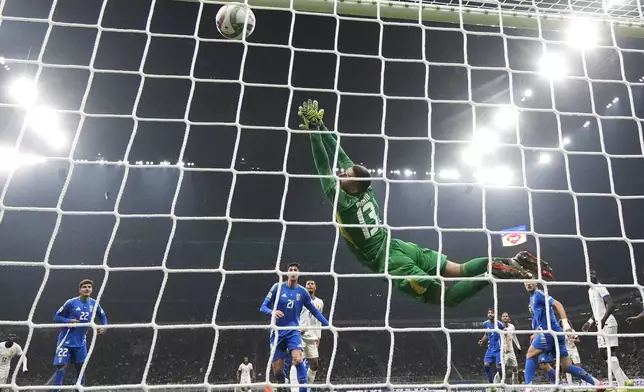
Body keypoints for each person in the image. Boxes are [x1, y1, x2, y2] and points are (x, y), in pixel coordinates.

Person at [298, 99, 554, 308]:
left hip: (387, 259)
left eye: (346, 175)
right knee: (457, 268)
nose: (341, 174)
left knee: (446, 297)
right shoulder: (365, 189)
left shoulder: (342, 201)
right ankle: (512, 259)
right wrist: (320, 124)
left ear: (353, 184)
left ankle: (492, 273)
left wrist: (313, 133)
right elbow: (341, 155)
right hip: (397, 245)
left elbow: (323, 164)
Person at [260, 262, 329, 392]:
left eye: (295, 269)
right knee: (278, 371)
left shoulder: (302, 292)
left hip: (294, 331)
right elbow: (263, 307)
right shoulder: (277, 288)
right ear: (287, 273)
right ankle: (283, 382)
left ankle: (304, 389)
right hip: (277, 332)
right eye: (290, 269)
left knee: (298, 359)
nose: (293, 271)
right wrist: (271, 312)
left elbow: (314, 311)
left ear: (298, 273)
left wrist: (328, 325)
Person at [524, 282, 601, 389]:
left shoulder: (538, 294)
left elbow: (558, 304)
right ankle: (597, 383)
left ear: (536, 282)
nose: (528, 284)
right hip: (558, 334)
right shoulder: (532, 299)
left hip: (549, 333)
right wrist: (536, 332)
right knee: (567, 366)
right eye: (526, 282)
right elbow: (540, 319)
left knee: (530, 355)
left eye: (531, 281)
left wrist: (565, 324)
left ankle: (528, 389)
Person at [52, 279, 107, 392]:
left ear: (91, 290)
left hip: (81, 342)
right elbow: (57, 317)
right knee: (61, 367)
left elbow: (103, 317)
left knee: (81, 368)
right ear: (80, 290)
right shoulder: (71, 302)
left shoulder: (94, 303)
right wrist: (68, 321)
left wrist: (104, 327)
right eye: (84, 287)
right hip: (65, 341)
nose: (87, 288)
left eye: (89, 287)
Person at [582, 270, 633, 388]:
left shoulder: (600, 287)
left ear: (596, 276)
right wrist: (589, 322)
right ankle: (625, 380)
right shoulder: (590, 291)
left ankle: (622, 386)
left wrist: (603, 320)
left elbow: (610, 304)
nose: (591, 276)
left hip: (608, 323)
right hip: (600, 325)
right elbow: (596, 310)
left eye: (593, 274)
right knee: (603, 353)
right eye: (589, 275)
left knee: (609, 352)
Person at [300, 280, 323, 385]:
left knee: (314, 365)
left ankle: (308, 386)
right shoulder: (299, 300)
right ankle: (295, 388)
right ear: (305, 287)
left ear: (315, 287)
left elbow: (318, 320)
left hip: (313, 337)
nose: (310, 285)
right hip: (300, 335)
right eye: (308, 284)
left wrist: (319, 336)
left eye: (312, 283)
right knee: (297, 361)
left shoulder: (319, 302)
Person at [479, 309, 504, 386]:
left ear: (495, 314)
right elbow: (486, 334)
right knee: (486, 365)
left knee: (499, 367)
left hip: (498, 349)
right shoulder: (485, 324)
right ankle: (491, 383)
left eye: (492, 313)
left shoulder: (500, 324)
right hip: (490, 349)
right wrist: (482, 340)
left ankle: (502, 381)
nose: (490, 314)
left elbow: (504, 334)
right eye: (489, 313)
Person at [501, 312, 521, 387]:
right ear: (501, 318)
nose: (505, 317)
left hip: (511, 351)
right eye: (503, 316)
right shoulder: (499, 327)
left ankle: (514, 385)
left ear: (508, 318)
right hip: (503, 351)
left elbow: (514, 336)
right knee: (502, 370)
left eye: (506, 316)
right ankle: (497, 385)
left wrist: (518, 346)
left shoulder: (512, 326)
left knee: (515, 369)